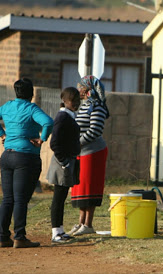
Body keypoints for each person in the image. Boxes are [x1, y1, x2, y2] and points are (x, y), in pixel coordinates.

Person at [0, 78, 54, 249]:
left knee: (8, 198)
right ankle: (20, 237)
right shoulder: (31, 108)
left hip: (7, 156)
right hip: (25, 157)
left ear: (16, 92)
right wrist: (42, 139)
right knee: (21, 199)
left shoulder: (7, 106)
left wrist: (2, 135)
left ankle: (2, 237)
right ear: (31, 94)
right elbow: (48, 122)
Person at [68, 75, 110, 236]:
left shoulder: (97, 106)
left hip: (93, 152)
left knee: (89, 186)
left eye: (82, 88)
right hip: (81, 152)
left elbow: (95, 130)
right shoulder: (85, 106)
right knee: (80, 187)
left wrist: (78, 143)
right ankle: (80, 223)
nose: (79, 91)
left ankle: (88, 223)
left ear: (88, 90)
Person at [46, 87, 81, 244]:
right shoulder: (63, 117)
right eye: (72, 100)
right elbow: (54, 143)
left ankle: (60, 230)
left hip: (67, 161)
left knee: (62, 197)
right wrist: (64, 162)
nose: (76, 103)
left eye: (77, 100)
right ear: (65, 101)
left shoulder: (69, 116)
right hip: (62, 163)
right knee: (58, 198)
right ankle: (55, 233)